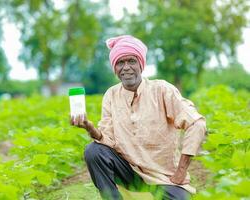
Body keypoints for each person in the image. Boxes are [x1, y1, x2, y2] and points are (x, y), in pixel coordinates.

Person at [70, 35, 207, 200]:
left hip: (163, 178)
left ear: (141, 65)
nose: (126, 67)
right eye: (120, 63)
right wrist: (90, 128)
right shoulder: (111, 95)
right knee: (93, 151)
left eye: (132, 61)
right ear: (115, 68)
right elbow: (109, 141)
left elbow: (197, 124)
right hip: (129, 172)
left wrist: (181, 171)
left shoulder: (162, 90)